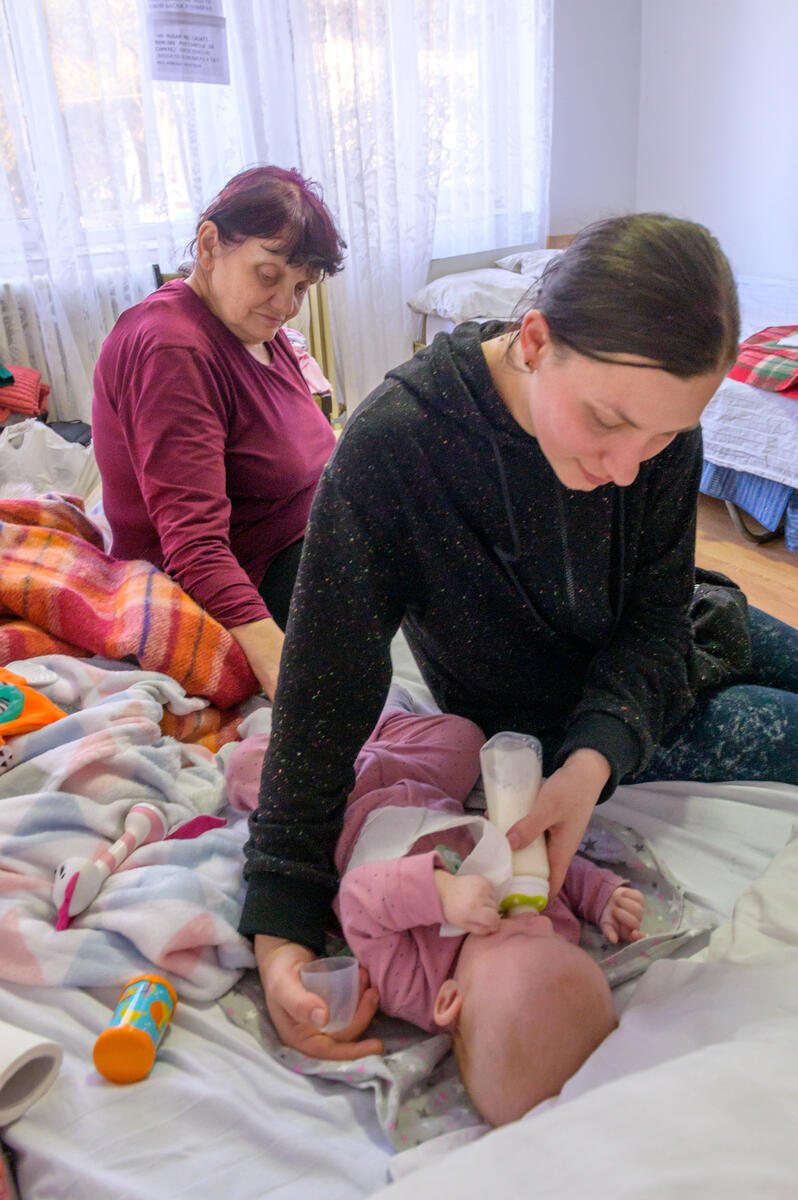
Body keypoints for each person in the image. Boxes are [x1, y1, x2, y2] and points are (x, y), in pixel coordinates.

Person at [239, 212, 798, 1057]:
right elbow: (324, 691)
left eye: (664, 440)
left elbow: (657, 618)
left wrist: (593, 766)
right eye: (608, 423)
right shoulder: (400, 444)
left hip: (672, 644)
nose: (626, 469)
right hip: (554, 709)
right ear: (534, 340)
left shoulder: (651, 434)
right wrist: (282, 921)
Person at [227, 695, 643, 1120]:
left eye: (515, 935)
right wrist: (601, 894)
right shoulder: (547, 937)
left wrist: (442, 894)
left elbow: (359, 899)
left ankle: (309, 737)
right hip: (425, 788)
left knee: (248, 768)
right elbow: (553, 873)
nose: (535, 921)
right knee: (463, 737)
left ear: (451, 999)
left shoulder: (413, 985)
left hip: (338, 813)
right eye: (558, 939)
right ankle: (370, 729)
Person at [92, 166, 345, 698]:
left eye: (301, 287)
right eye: (268, 275)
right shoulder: (174, 349)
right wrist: (279, 663)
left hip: (295, 540)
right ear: (209, 245)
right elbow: (195, 545)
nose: (285, 304)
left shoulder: (255, 326)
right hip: (241, 577)